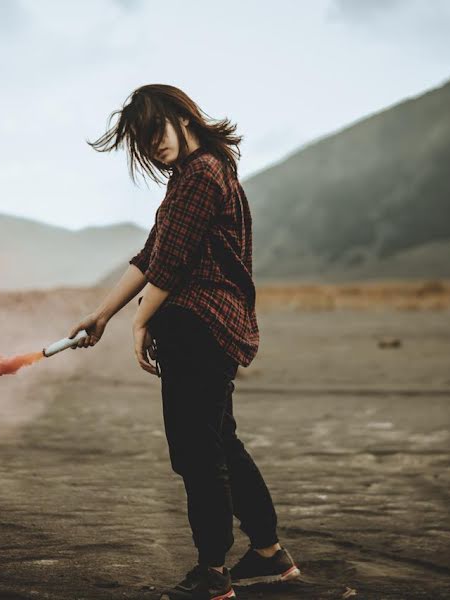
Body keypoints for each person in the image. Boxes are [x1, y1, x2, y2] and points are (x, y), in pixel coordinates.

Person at [67, 84, 300, 600]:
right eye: (142, 141)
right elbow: (153, 253)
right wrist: (102, 314)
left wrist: (138, 322)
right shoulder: (193, 178)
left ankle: (213, 573)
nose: (152, 145)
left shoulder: (201, 176)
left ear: (182, 118)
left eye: (155, 131)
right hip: (208, 327)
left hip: (199, 325)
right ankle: (268, 555)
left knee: (197, 453)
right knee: (219, 442)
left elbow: (169, 267)